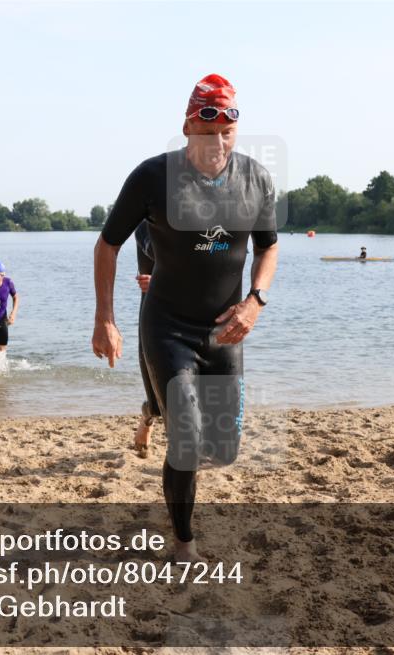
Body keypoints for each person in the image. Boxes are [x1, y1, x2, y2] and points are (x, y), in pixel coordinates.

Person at [92, 74, 279, 562]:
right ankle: (182, 541)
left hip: (225, 330)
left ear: (236, 130)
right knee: (187, 439)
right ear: (188, 126)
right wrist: (105, 318)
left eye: (226, 131)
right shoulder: (154, 176)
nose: (216, 142)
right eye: (206, 128)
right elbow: (107, 244)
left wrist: (254, 301)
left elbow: (269, 247)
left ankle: (168, 442)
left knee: (224, 448)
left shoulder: (256, 179)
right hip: (168, 325)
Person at [133, 220, 160, 458]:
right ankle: (147, 419)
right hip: (156, 316)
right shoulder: (146, 224)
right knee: (158, 402)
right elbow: (165, 258)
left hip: (197, 312)